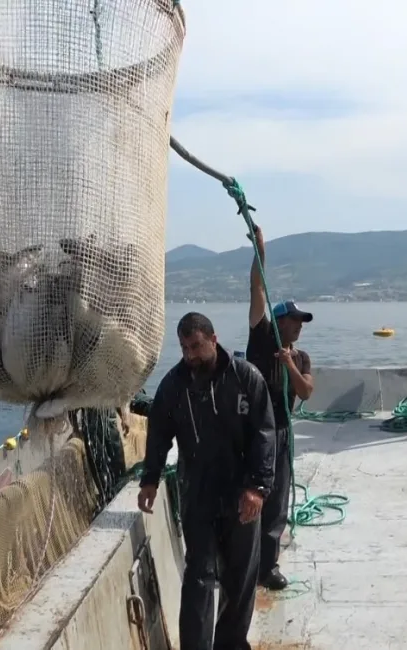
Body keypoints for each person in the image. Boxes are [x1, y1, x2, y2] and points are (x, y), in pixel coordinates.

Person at [137, 312, 276, 650]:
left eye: (196, 346)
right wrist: (150, 479)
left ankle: (230, 644)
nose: (190, 355)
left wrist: (258, 488)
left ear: (214, 340)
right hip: (198, 493)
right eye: (184, 348)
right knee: (199, 577)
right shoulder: (174, 385)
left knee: (240, 578)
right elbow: (159, 434)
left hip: (242, 491)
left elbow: (265, 434)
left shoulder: (247, 378)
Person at [245, 224, 315, 592]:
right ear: (281, 320)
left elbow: (306, 392)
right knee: (252, 493)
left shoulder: (301, 357)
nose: (300, 326)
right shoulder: (261, 338)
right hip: (257, 431)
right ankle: (244, 561)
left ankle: (267, 565)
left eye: (303, 322)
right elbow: (257, 288)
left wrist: (289, 364)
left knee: (278, 501)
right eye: (295, 320)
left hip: (283, 433)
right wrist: (260, 253)